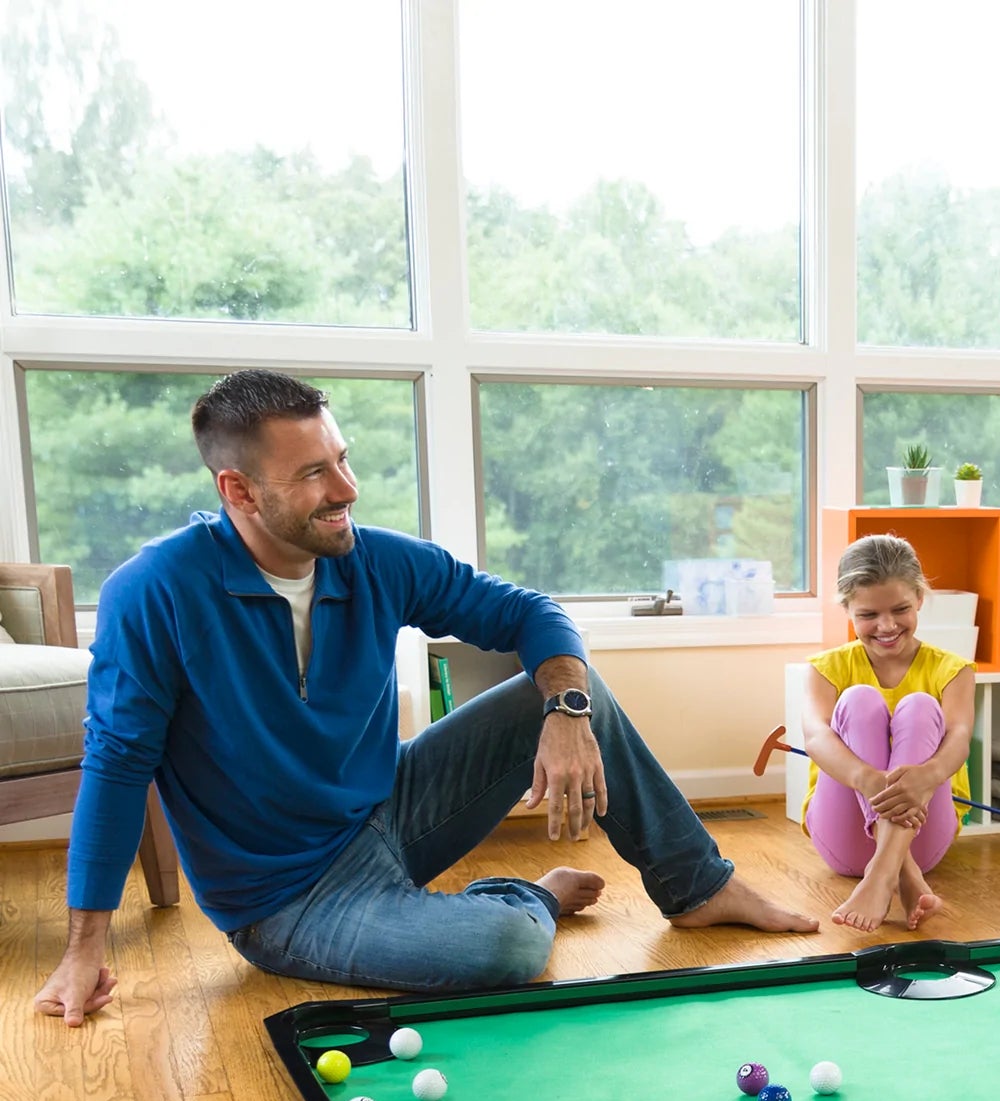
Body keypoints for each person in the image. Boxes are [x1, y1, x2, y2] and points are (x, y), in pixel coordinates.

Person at [34, 370, 817, 1025]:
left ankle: (699, 888)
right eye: (313, 473)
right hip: (288, 898)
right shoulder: (155, 592)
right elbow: (117, 767)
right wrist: (84, 950)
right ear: (237, 489)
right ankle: (525, 897)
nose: (346, 488)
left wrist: (567, 714)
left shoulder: (373, 559)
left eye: (341, 458)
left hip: (390, 810)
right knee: (505, 950)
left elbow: (529, 614)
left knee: (577, 688)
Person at [800, 534, 976, 933]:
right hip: (844, 840)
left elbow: (959, 739)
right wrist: (870, 779)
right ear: (847, 608)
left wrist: (927, 776)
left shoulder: (954, 670)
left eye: (900, 609)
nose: (886, 626)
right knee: (859, 699)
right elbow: (815, 737)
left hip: (925, 834)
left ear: (919, 598)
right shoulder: (826, 668)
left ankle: (882, 873)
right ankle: (901, 873)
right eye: (868, 615)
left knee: (920, 705)